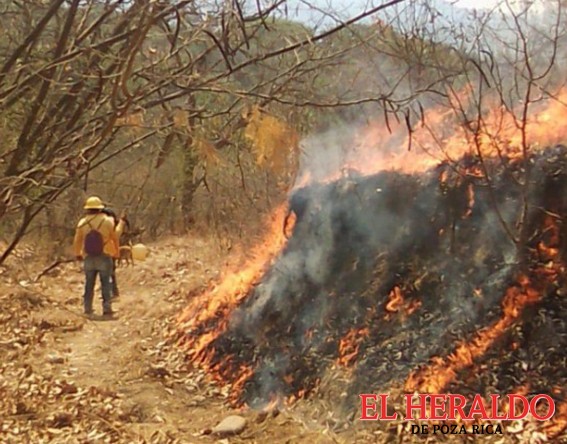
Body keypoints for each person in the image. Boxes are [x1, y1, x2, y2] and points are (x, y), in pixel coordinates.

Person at [73, 196, 119, 317]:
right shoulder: (108, 221)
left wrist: (77, 253)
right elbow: (114, 238)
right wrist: (116, 252)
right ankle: (107, 308)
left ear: (87, 209)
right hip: (105, 255)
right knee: (106, 283)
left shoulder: (82, 223)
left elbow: (77, 240)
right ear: (100, 208)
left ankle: (87, 308)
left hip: (89, 256)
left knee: (89, 283)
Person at [101, 206, 128, 299]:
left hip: (105, 252)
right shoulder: (111, 224)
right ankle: (113, 292)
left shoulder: (104, 225)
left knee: (107, 273)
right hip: (111, 252)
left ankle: (111, 293)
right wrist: (122, 221)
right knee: (110, 273)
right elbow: (117, 233)